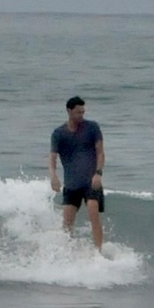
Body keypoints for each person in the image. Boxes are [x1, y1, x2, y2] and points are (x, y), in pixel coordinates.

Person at [49, 96, 106, 249]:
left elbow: (100, 152)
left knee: (93, 211)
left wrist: (98, 173)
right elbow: (52, 158)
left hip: (91, 181)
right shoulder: (59, 134)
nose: (81, 115)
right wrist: (53, 176)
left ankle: (98, 252)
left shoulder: (92, 128)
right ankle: (67, 253)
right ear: (69, 111)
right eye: (78, 112)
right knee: (67, 223)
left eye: (83, 112)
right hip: (72, 183)